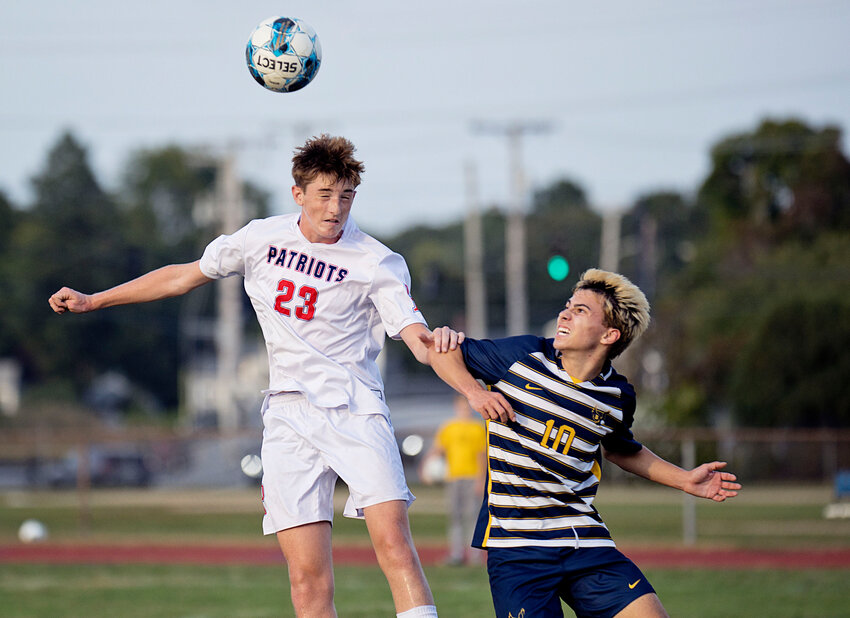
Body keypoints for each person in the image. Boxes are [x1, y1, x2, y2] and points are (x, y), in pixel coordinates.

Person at [48, 134, 460, 618]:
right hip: (286, 417)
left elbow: (414, 335)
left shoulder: (376, 259)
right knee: (306, 581)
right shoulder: (259, 239)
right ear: (298, 194)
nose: (336, 209)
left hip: (355, 409)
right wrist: (95, 300)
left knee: (394, 546)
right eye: (325, 195)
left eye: (346, 196)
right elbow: (182, 276)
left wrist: (464, 377)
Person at [426, 268, 742, 618]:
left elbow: (621, 449)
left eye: (580, 311)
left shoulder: (617, 395)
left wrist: (684, 479)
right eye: (568, 306)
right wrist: (474, 392)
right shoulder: (522, 356)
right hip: (518, 546)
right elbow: (440, 353)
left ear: (609, 334)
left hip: (584, 540)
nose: (565, 314)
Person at [421, 394, 486, 566]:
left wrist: (481, 480)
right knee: (455, 516)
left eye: (466, 407)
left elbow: (482, 456)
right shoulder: (449, 427)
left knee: (472, 516)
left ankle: (474, 556)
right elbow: (438, 449)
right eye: (461, 406)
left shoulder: (478, 428)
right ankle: (456, 554)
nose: (464, 410)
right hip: (454, 477)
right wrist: (425, 466)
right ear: (456, 407)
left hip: (472, 477)